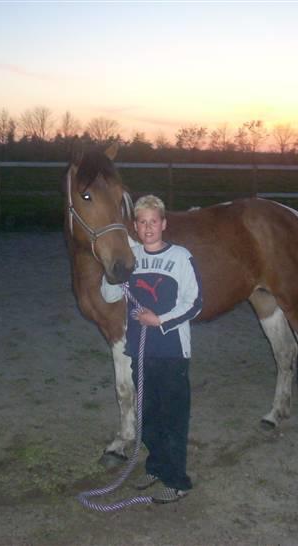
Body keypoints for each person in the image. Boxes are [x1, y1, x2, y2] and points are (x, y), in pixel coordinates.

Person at [101, 194, 202, 504]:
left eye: (153, 222)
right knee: (148, 415)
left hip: (172, 352)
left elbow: (195, 303)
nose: (148, 228)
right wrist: (113, 271)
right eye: (142, 222)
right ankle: (157, 467)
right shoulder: (131, 257)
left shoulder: (180, 257)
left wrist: (159, 320)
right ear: (135, 225)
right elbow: (107, 295)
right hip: (141, 352)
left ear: (164, 224)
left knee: (173, 417)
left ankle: (177, 480)